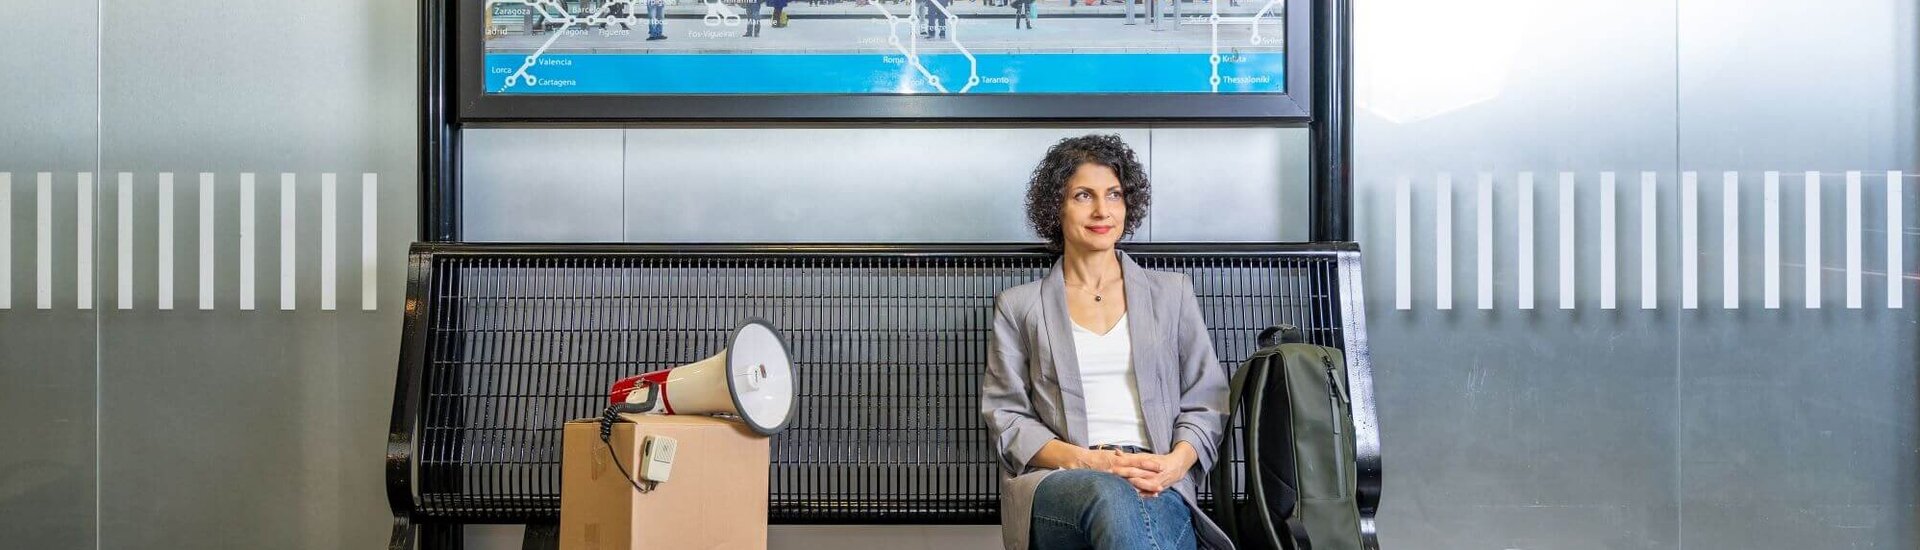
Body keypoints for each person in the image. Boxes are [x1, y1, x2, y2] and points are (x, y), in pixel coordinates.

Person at [980, 134, 1233, 550]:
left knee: (1141, 506)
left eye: (1114, 195)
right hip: (1064, 478)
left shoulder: (1172, 293)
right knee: (1110, 495)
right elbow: (1007, 416)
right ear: (1055, 207)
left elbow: (1207, 400)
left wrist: (1174, 465)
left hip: (1156, 474)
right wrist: (1092, 461)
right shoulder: (1020, 306)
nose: (1103, 210)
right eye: (1084, 195)